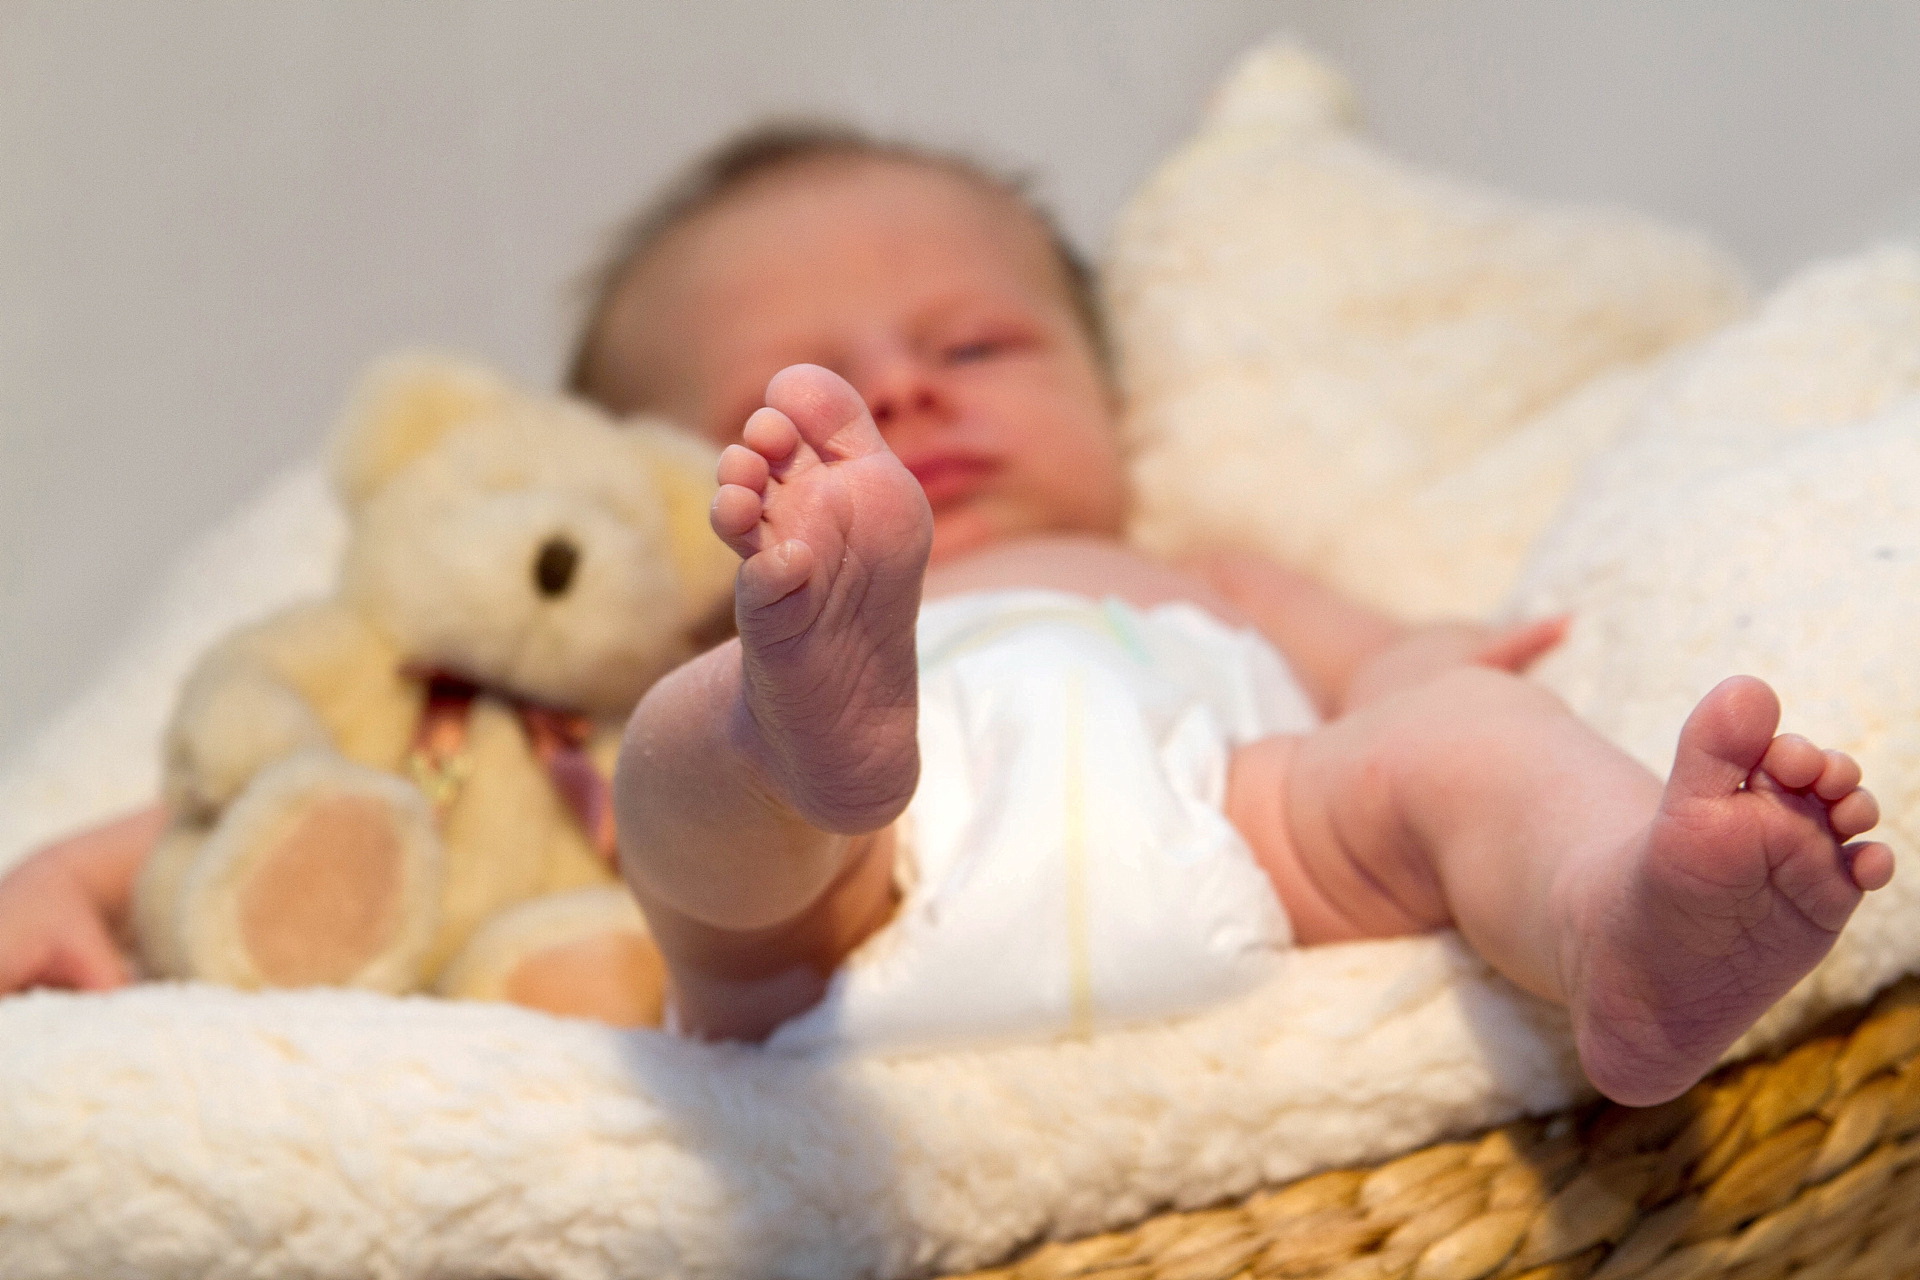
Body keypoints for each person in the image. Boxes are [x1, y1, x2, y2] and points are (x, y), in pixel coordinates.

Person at [0, 126, 1891, 1109]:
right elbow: (385, 792)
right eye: (815, 378)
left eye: (974, 344)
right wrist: (80, 878)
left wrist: (1429, 672)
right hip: (831, 908)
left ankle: (1620, 922)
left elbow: (1398, 664)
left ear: (1100, 383)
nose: (904, 393)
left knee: (1444, 753)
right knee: (677, 768)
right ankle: (809, 716)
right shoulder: (660, 630)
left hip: (1232, 811)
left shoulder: (1205, 573)